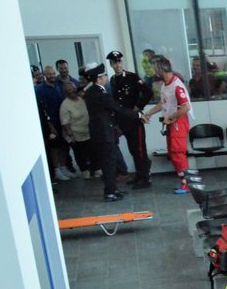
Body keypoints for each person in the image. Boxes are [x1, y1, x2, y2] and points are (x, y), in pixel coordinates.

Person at [142, 57, 195, 193]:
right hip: (172, 122)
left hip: (179, 122)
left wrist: (171, 118)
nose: (153, 71)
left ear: (160, 69)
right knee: (173, 153)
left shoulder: (177, 86)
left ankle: (187, 183)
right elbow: (163, 103)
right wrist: (149, 113)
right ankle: (183, 181)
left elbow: (185, 107)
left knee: (178, 153)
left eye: (155, 68)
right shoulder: (165, 85)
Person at [83, 64, 132, 201]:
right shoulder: (99, 93)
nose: (106, 78)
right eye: (104, 76)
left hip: (103, 132)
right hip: (103, 133)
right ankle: (109, 192)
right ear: (98, 79)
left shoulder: (93, 91)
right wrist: (138, 116)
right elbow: (116, 108)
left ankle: (113, 189)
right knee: (108, 163)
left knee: (110, 162)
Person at [108, 50, 154, 188]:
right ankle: (139, 175)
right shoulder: (113, 80)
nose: (117, 65)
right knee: (133, 149)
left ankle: (145, 178)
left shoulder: (132, 77)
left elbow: (147, 92)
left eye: (119, 62)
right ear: (111, 64)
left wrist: (138, 106)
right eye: (114, 63)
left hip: (134, 120)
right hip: (123, 120)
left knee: (140, 148)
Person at [57, 79, 93, 176]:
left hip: (88, 132)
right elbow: (65, 123)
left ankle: (93, 169)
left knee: (91, 153)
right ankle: (84, 171)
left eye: (73, 88)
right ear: (65, 92)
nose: (72, 91)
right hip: (76, 135)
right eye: (69, 90)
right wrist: (71, 135)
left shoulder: (82, 99)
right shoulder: (64, 105)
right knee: (80, 155)